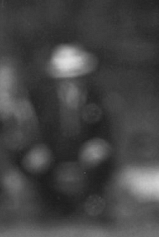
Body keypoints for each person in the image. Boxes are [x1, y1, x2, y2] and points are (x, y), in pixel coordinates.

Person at [22, 43, 118, 222]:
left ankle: (93, 207)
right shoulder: (43, 98)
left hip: (85, 153)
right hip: (54, 153)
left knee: (100, 161)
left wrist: (99, 145)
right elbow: (35, 129)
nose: (71, 80)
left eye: (75, 75)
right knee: (35, 163)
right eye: (66, 76)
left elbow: (106, 131)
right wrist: (38, 148)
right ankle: (51, 208)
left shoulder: (97, 97)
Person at [0, 55, 40, 218]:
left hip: (26, 158)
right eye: (2, 78)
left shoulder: (29, 103)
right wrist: (6, 170)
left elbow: (37, 133)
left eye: (10, 77)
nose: (7, 82)